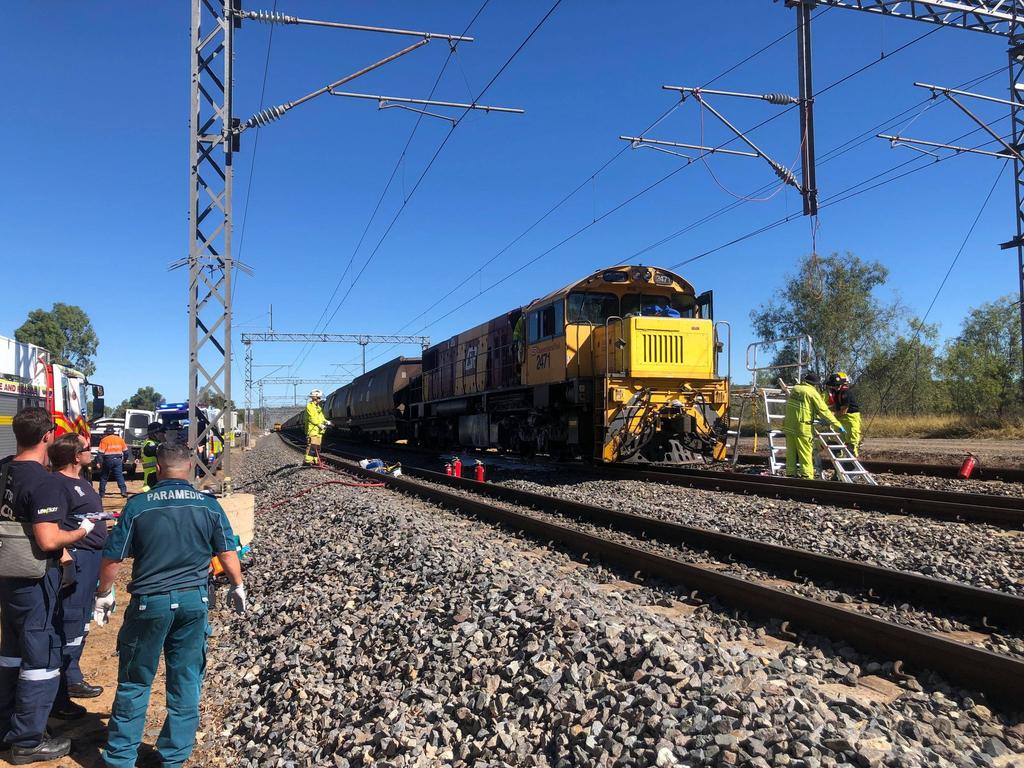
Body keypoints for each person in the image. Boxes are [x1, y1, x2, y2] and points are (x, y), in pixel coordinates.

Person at [96, 442, 245, 768]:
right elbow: (228, 552)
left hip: (151, 603)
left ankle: (120, 758)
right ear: (190, 468)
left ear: (158, 470)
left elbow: (112, 557)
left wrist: (104, 593)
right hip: (195, 602)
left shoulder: (139, 506)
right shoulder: (208, 505)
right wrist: (238, 585)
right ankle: (173, 759)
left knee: (136, 681)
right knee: (186, 680)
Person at [0, 407, 96, 764]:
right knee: (40, 656)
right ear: (47, 437)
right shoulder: (44, 481)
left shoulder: (4, 468)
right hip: (33, 579)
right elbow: (48, 539)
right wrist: (81, 531)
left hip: (6, 576)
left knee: (10, 651)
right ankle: (27, 740)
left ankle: (6, 727)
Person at [48, 434, 108, 718]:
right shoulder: (59, 485)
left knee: (81, 620)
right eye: (87, 449)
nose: (92, 452)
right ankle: (60, 691)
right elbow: (54, 526)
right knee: (69, 620)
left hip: (93, 558)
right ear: (75, 456)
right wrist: (65, 556)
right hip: (78, 559)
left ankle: (72, 676)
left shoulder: (81, 482)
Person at [782, 372, 845, 480]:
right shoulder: (812, 392)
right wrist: (837, 424)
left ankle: (790, 474)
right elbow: (823, 410)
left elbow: (803, 406)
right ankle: (807, 477)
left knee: (791, 452)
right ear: (814, 384)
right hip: (802, 427)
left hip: (788, 426)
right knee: (805, 453)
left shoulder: (795, 389)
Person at [827, 372, 862, 457]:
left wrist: (830, 416)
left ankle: (852, 462)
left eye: (836, 385)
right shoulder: (835, 392)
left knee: (852, 440)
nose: (835, 387)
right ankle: (839, 459)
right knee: (838, 439)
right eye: (833, 385)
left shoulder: (846, 392)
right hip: (840, 418)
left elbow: (843, 410)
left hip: (851, 418)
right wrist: (825, 410)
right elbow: (836, 406)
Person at [97, 426, 129, 498]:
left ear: (106, 433)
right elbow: (126, 452)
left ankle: (101, 493)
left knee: (104, 477)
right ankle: (123, 491)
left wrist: (100, 462)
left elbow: (100, 453)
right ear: (114, 432)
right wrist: (124, 460)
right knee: (119, 476)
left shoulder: (104, 440)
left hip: (108, 460)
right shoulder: (120, 439)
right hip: (118, 460)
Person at [303, 390, 327, 466]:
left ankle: (315, 461)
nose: (320, 399)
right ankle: (307, 461)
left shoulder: (318, 408)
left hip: (319, 431)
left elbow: (321, 417)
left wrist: (326, 421)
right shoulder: (309, 406)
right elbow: (312, 418)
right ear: (314, 397)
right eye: (319, 397)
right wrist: (319, 425)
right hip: (312, 430)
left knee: (317, 447)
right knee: (312, 446)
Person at [139, 423, 165, 491]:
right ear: (155, 434)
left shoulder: (155, 443)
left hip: (155, 475)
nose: (164, 434)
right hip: (152, 476)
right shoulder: (150, 444)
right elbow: (161, 452)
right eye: (162, 432)